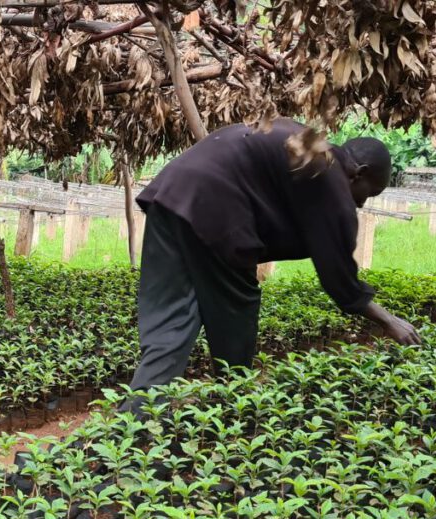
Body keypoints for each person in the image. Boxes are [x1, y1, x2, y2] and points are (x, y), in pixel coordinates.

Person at [125, 118, 420, 411]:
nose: (361, 204)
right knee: (235, 316)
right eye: (369, 193)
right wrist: (388, 320)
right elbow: (338, 274)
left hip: (170, 195)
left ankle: (135, 420)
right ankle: (233, 408)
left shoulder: (309, 148)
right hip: (215, 209)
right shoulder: (328, 173)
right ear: (359, 173)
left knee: (170, 323)